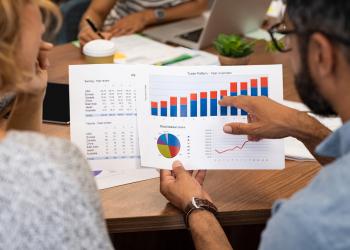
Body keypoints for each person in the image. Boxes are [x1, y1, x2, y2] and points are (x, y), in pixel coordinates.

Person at [160, 0, 350, 249]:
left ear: (320, 53)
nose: (288, 52)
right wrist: (301, 124)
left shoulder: (309, 224)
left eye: (286, 37)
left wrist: (196, 207)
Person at [0, 0, 113, 249]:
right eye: (30, 5)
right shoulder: (58, 166)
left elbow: (19, 160)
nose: (42, 27)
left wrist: (30, 97)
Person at [78, 0, 208, 46]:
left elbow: (200, 5)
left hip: (172, 27)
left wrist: (148, 16)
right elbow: (95, 12)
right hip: (123, 33)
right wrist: (87, 29)